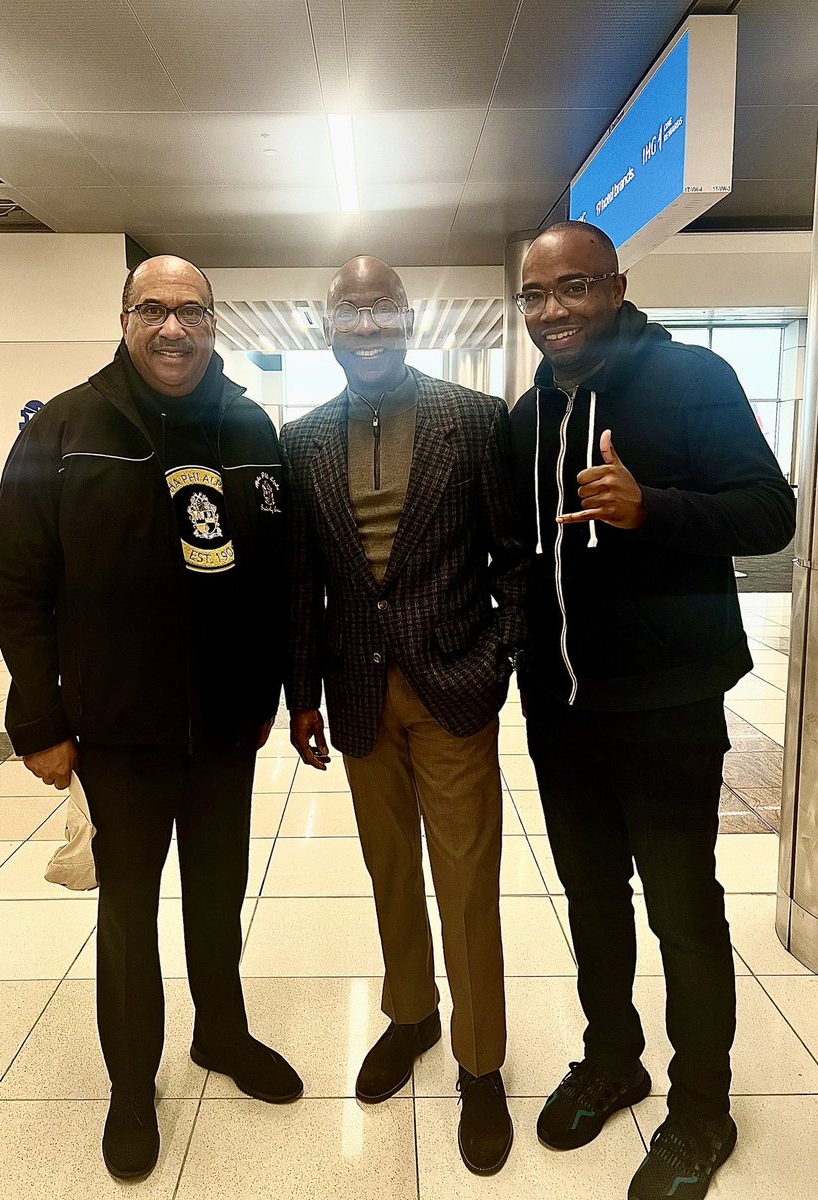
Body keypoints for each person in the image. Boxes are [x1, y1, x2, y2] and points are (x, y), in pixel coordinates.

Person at [0, 255, 303, 1182]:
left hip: (223, 728)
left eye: (192, 311)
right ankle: (133, 1084)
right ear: (124, 318)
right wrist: (39, 716)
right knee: (129, 911)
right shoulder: (66, 428)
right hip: (118, 726)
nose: (175, 328)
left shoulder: (248, 424)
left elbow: (273, 574)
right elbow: (17, 582)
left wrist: (268, 696)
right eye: (155, 310)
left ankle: (223, 1034)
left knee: (218, 894)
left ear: (215, 321)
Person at [509, 221, 795, 1200]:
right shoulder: (529, 413)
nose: (553, 312)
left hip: (669, 706)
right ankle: (612, 1055)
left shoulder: (692, 379)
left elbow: (769, 510)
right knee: (592, 901)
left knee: (682, 910)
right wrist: (519, 653)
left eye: (574, 288)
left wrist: (653, 509)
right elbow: (525, 550)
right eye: (536, 296)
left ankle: (702, 1108)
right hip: (561, 709)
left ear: (618, 285)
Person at [280, 255, 528, 1175]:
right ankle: (413, 1014)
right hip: (354, 694)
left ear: (409, 318)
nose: (369, 325)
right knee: (391, 871)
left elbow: (514, 556)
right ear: (329, 327)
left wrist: (499, 659)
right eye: (352, 312)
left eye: (383, 309)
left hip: (454, 686)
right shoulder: (301, 439)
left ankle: (481, 1063)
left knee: (466, 885)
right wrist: (299, 692)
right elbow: (305, 581)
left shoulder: (472, 420)